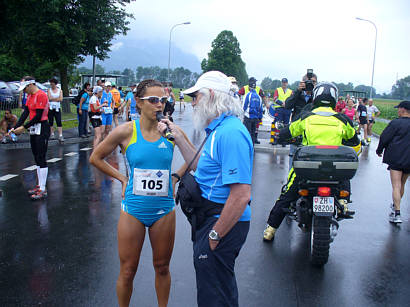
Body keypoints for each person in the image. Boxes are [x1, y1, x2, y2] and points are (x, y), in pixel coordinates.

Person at [159, 71, 253, 307]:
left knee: (215, 297)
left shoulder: (231, 133)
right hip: (211, 219)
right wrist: (178, 137)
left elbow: (241, 195)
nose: (192, 104)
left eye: (195, 98)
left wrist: (216, 234)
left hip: (221, 221)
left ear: (211, 95)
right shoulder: (219, 129)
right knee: (216, 290)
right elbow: (200, 165)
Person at [90, 79, 182, 307]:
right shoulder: (126, 131)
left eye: (162, 100)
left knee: (162, 267)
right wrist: (122, 178)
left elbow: (194, 159)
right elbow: (95, 158)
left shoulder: (170, 131)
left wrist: (175, 176)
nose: (159, 105)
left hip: (163, 211)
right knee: (128, 270)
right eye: (153, 100)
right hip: (133, 210)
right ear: (139, 103)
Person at [263, 82, 360, 241]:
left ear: (316, 97)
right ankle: (343, 202)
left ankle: (270, 230)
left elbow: (287, 132)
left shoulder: (306, 117)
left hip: (307, 167)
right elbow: (354, 141)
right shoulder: (342, 119)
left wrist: (282, 135)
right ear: (335, 99)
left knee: (287, 194)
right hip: (333, 170)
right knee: (344, 174)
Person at [9, 77, 50, 200]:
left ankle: (43, 189)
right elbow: (25, 113)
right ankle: (39, 185)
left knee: (41, 157)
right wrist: (15, 127)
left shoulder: (41, 95)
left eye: (25, 88)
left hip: (42, 127)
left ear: (31, 84)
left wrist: (24, 127)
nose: (25, 91)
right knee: (36, 156)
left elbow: (38, 116)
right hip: (33, 128)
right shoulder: (30, 96)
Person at [376, 101, 410, 224]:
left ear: (403, 110)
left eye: (398, 109)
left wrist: (379, 150)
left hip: (396, 158)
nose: (397, 111)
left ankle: (397, 213)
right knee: (402, 184)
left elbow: (384, 137)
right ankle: (396, 206)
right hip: (408, 159)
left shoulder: (395, 123)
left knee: (396, 185)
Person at [284, 71, 317, 169]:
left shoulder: (317, 97)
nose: (310, 84)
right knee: (293, 156)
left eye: (313, 82)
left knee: (310, 159)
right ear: (302, 82)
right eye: (307, 81)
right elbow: (287, 105)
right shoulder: (297, 94)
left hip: (312, 132)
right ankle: (291, 178)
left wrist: (315, 93)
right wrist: (298, 91)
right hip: (297, 130)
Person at [238, 77, 266, 144]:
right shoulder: (246, 89)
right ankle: (252, 142)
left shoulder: (250, 94)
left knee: (248, 130)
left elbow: (244, 105)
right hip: (255, 115)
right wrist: (260, 115)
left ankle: (248, 142)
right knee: (253, 130)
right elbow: (261, 106)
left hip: (248, 115)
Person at [271, 78, 293, 145]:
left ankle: (283, 140)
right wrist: (281, 103)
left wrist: (287, 104)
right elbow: (275, 98)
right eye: (283, 82)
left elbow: (292, 99)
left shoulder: (290, 91)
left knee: (286, 125)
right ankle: (276, 139)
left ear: (287, 83)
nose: (284, 84)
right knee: (278, 124)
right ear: (281, 83)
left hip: (287, 109)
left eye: (285, 82)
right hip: (279, 108)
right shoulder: (278, 90)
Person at [47, 77, 64, 142]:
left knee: (58, 121)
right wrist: (57, 99)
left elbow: (61, 99)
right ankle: (52, 133)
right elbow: (49, 98)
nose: (52, 85)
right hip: (51, 107)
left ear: (55, 84)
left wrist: (54, 99)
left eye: (53, 84)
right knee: (51, 121)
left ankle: (60, 135)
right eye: (51, 84)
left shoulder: (60, 90)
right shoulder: (49, 90)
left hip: (57, 107)